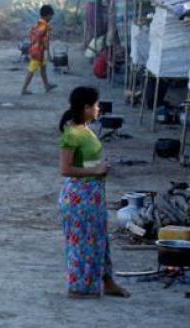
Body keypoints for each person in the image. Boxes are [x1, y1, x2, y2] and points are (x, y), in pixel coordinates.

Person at [58, 86, 130, 299]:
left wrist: (99, 167)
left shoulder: (84, 129)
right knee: (83, 244)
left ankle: (107, 281)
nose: (99, 109)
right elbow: (65, 169)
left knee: (99, 240)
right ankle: (81, 288)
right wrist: (96, 170)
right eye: (96, 105)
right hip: (80, 197)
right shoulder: (72, 133)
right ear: (87, 107)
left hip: (91, 195)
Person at [21, 5, 58, 95]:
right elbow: (46, 41)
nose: (51, 18)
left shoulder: (38, 24)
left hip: (36, 49)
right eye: (50, 16)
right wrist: (48, 53)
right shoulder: (45, 26)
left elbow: (32, 36)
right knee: (32, 70)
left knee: (43, 69)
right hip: (39, 51)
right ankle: (24, 89)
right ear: (46, 16)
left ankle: (46, 85)